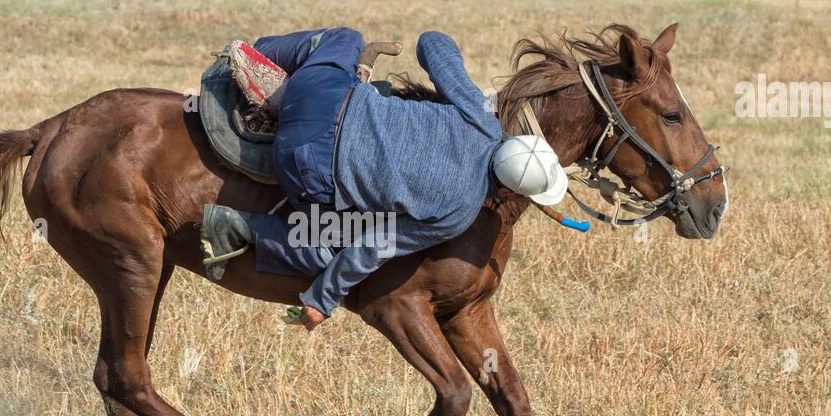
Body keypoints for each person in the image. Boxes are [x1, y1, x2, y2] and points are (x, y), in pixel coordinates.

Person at [201, 27, 566, 331]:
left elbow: (432, 43)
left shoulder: (481, 116)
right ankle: (242, 228)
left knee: (344, 37)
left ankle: (258, 56)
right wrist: (320, 301)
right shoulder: (460, 214)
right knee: (333, 238)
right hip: (306, 165)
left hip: (321, 94)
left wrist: (449, 54)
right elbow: (373, 246)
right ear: (509, 189)